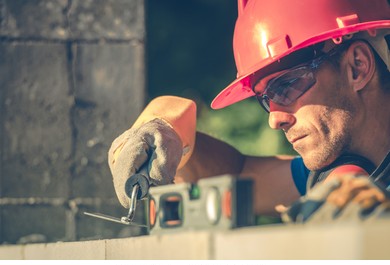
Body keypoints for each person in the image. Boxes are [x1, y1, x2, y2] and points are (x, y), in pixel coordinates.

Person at [108, 0, 390, 222]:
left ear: (357, 67)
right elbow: (236, 173)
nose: (274, 119)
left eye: (286, 86)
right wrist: (167, 128)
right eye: (265, 99)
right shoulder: (339, 174)